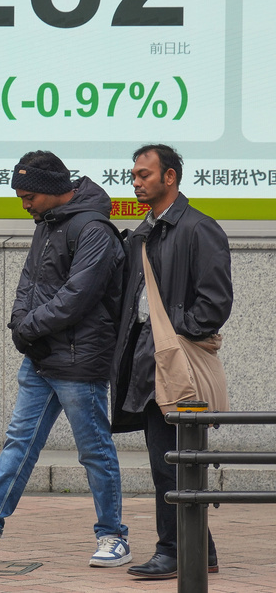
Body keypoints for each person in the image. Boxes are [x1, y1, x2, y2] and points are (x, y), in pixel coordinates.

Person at [0, 151, 130, 567]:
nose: (24, 204)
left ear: (55, 189)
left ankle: (113, 536)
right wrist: (20, 324)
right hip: (42, 357)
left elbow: (79, 295)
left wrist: (30, 328)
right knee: (20, 442)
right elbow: (28, 282)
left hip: (79, 359)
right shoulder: (47, 224)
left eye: (29, 196)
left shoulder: (93, 229)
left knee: (94, 450)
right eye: (21, 196)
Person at [112, 144, 232, 580]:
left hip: (174, 359)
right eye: (134, 175)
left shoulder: (200, 229)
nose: (137, 181)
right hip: (148, 361)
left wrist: (173, 329)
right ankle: (201, 550)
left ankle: (175, 550)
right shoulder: (144, 232)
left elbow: (215, 305)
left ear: (170, 177)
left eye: (145, 174)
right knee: (167, 461)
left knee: (174, 463)